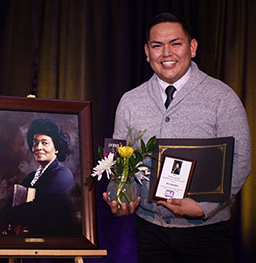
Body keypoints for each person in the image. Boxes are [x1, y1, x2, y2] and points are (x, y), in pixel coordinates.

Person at [103, 13, 251, 262]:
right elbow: (121, 158)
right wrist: (121, 193)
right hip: (150, 232)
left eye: (176, 43)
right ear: (147, 53)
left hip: (207, 233)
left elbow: (240, 159)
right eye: (157, 46)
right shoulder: (130, 101)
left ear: (192, 48)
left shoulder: (222, 98)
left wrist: (204, 207)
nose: (166, 53)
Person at [0, 118, 75, 235]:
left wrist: (5, 215)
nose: (38, 147)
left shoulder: (63, 175)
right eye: (35, 143)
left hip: (55, 243)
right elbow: (10, 204)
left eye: (44, 143)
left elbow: (40, 209)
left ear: (57, 148)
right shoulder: (31, 177)